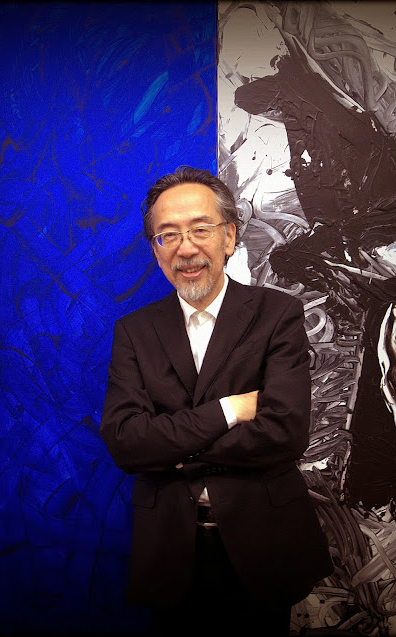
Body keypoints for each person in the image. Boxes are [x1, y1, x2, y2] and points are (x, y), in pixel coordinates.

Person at [100, 166, 333, 636]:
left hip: (264, 541)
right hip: (170, 548)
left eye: (200, 230)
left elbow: (285, 433)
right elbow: (126, 442)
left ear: (229, 236)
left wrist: (170, 449)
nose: (185, 248)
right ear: (155, 249)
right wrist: (231, 410)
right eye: (168, 235)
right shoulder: (134, 331)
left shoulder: (277, 315)